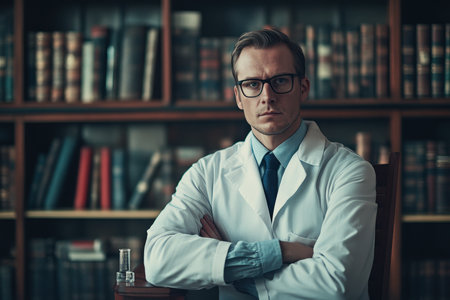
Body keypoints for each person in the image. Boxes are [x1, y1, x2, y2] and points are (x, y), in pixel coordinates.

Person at [144, 28, 376, 300]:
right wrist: (280, 252)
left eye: (280, 81)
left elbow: (338, 282)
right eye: (253, 84)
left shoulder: (350, 172)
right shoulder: (207, 173)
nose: (267, 96)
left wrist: (232, 269)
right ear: (239, 97)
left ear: (303, 88)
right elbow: (157, 258)